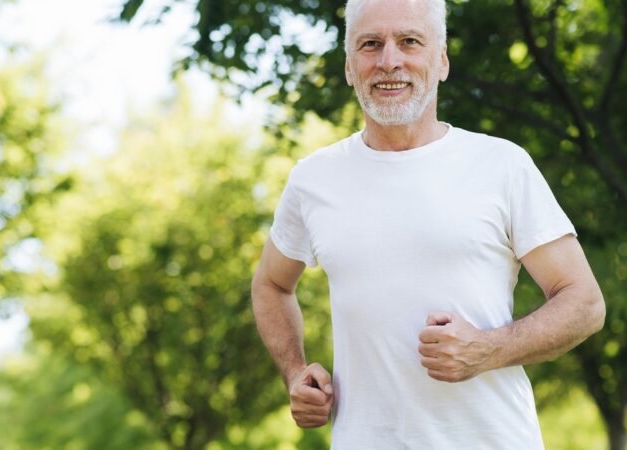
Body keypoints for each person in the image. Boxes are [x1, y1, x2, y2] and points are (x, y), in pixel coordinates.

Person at [250, 0, 605, 447]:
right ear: (348, 66)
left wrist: (487, 349)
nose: (389, 61)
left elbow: (585, 304)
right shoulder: (312, 179)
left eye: (410, 42)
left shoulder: (502, 165)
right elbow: (272, 285)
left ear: (441, 61)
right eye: (370, 44)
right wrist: (296, 371)